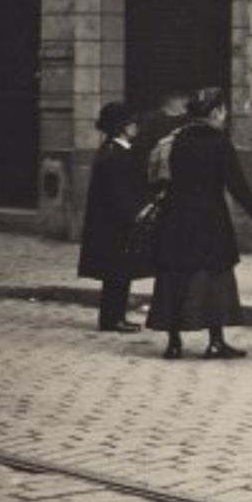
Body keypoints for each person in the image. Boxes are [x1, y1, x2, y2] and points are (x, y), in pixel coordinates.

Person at [148, 87, 252, 360]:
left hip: (175, 218)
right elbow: (239, 187)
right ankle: (215, 342)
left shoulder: (175, 139)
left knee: (174, 278)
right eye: (224, 111)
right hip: (209, 219)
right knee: (214, 279)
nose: (225, 117)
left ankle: (174, 343)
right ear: (215, 112)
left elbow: (157, 180)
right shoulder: (218, 143)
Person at [77, 100, 149, 332]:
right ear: (122, 127)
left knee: (120, 273)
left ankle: (116, 317)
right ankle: (111, 319)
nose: (136, 127)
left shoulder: (118, 151)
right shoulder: (113, 155)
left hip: (116, 223)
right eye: (132, 123)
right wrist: (135, 214)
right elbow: (117, 193)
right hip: (113, 225)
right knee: (116, 273)